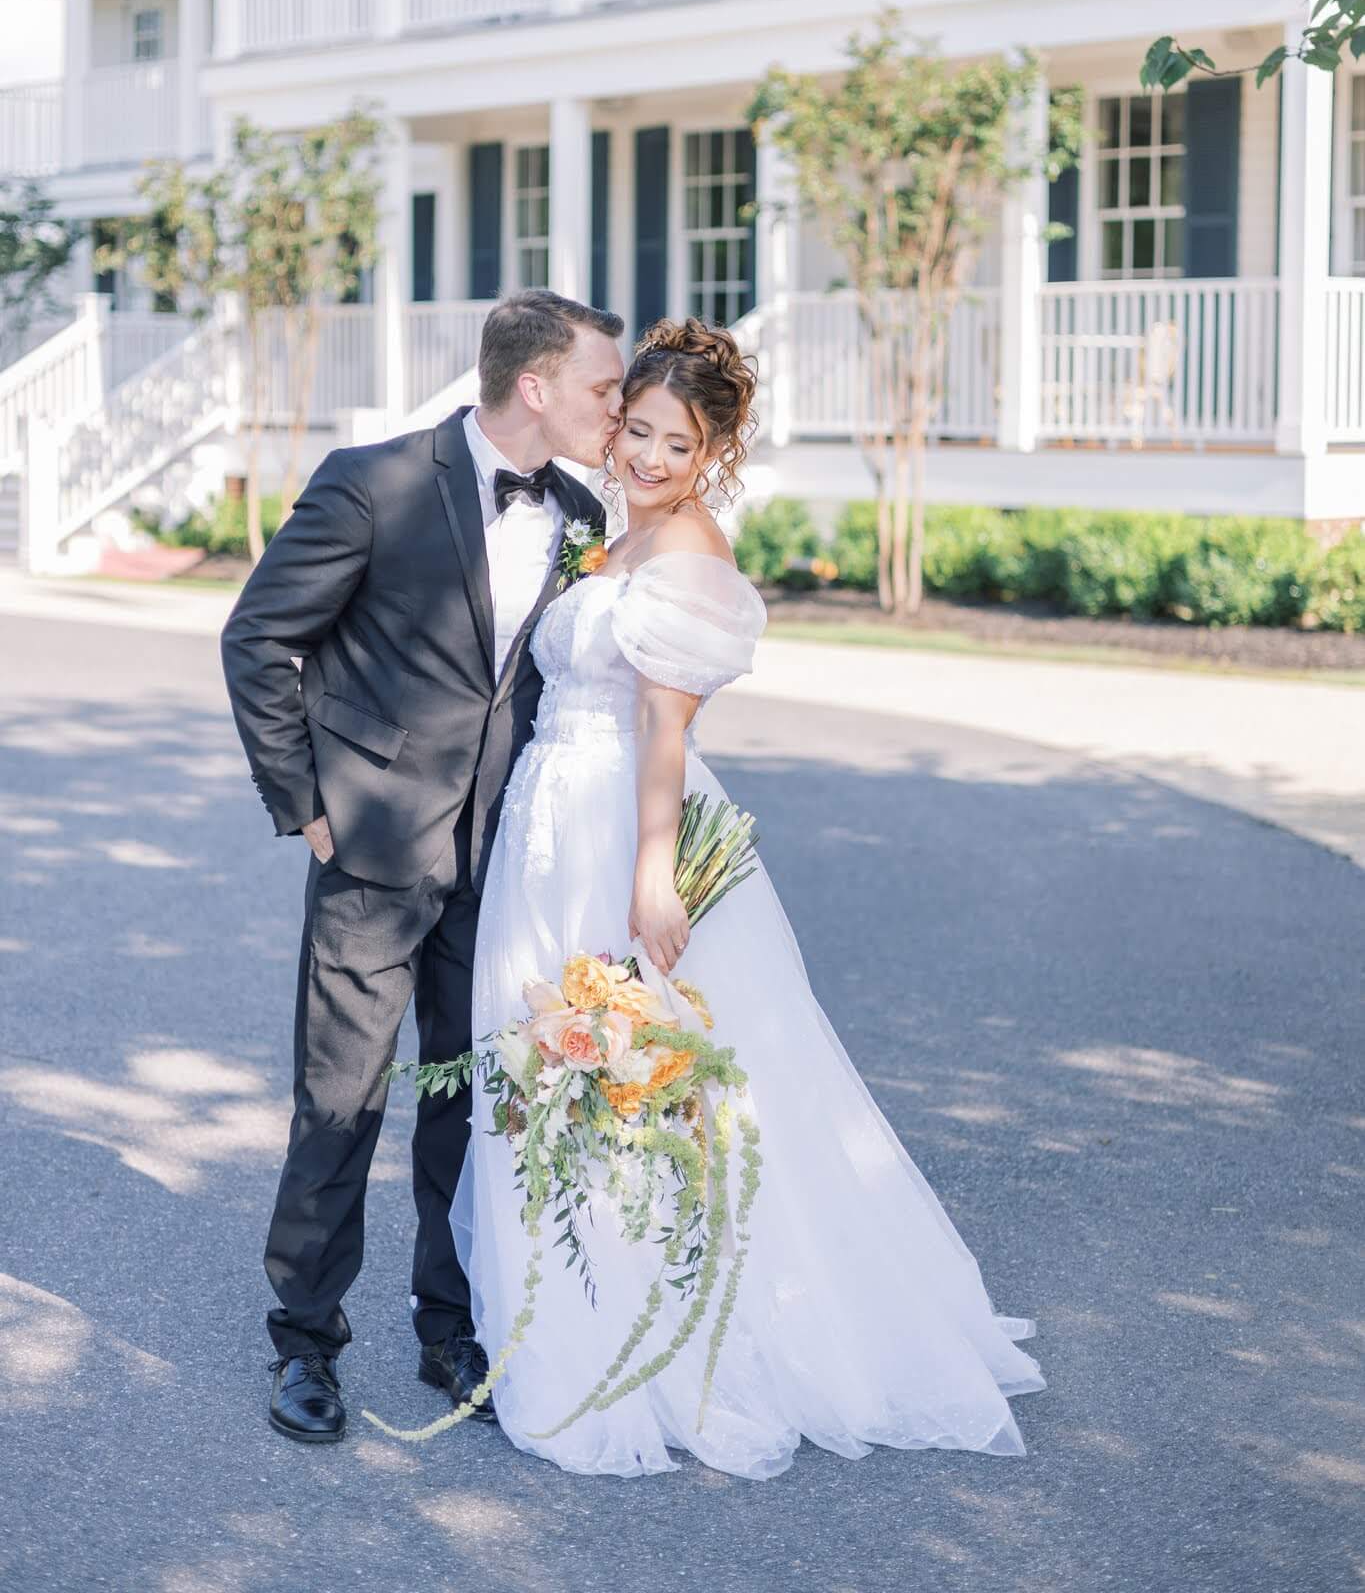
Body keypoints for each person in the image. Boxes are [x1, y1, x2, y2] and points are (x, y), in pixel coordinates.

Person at [455, 315, 1044, 1478]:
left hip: (618, 827)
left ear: (712, 453)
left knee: (636, 1071)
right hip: (550, 812)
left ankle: (655, 1330)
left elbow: (665, 732)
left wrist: (650, 873)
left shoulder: (687, 556)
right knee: (553, 1056)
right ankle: (575, 1302)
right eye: (636, 430)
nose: (648, 458)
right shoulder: (609, 536)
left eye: (678, 444)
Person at [220, 289, 625, 1444]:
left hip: (505, 858)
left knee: (466, 1098)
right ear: (535, 386)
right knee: (340, 1100)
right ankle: (305, 1340)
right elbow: (259, 637)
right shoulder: (376, 479)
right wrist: (303, 800)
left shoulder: (585, 511)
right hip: (371, 849)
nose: (618, 403)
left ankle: (449, 1325)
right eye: (603, 385)